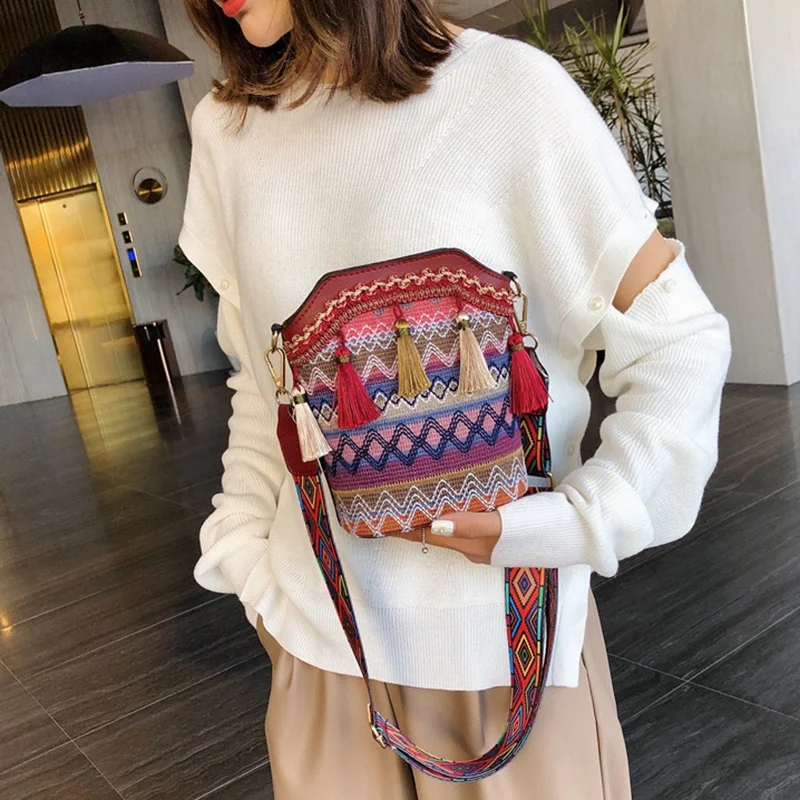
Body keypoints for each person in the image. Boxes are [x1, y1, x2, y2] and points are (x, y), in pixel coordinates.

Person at [179, 1, 731, 797]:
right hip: (320, 652)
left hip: (509, 656)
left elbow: (679, 341)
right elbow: (264, 386)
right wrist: (242, 553)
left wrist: (578, 524)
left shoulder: (509, 93)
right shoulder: (228, 132)